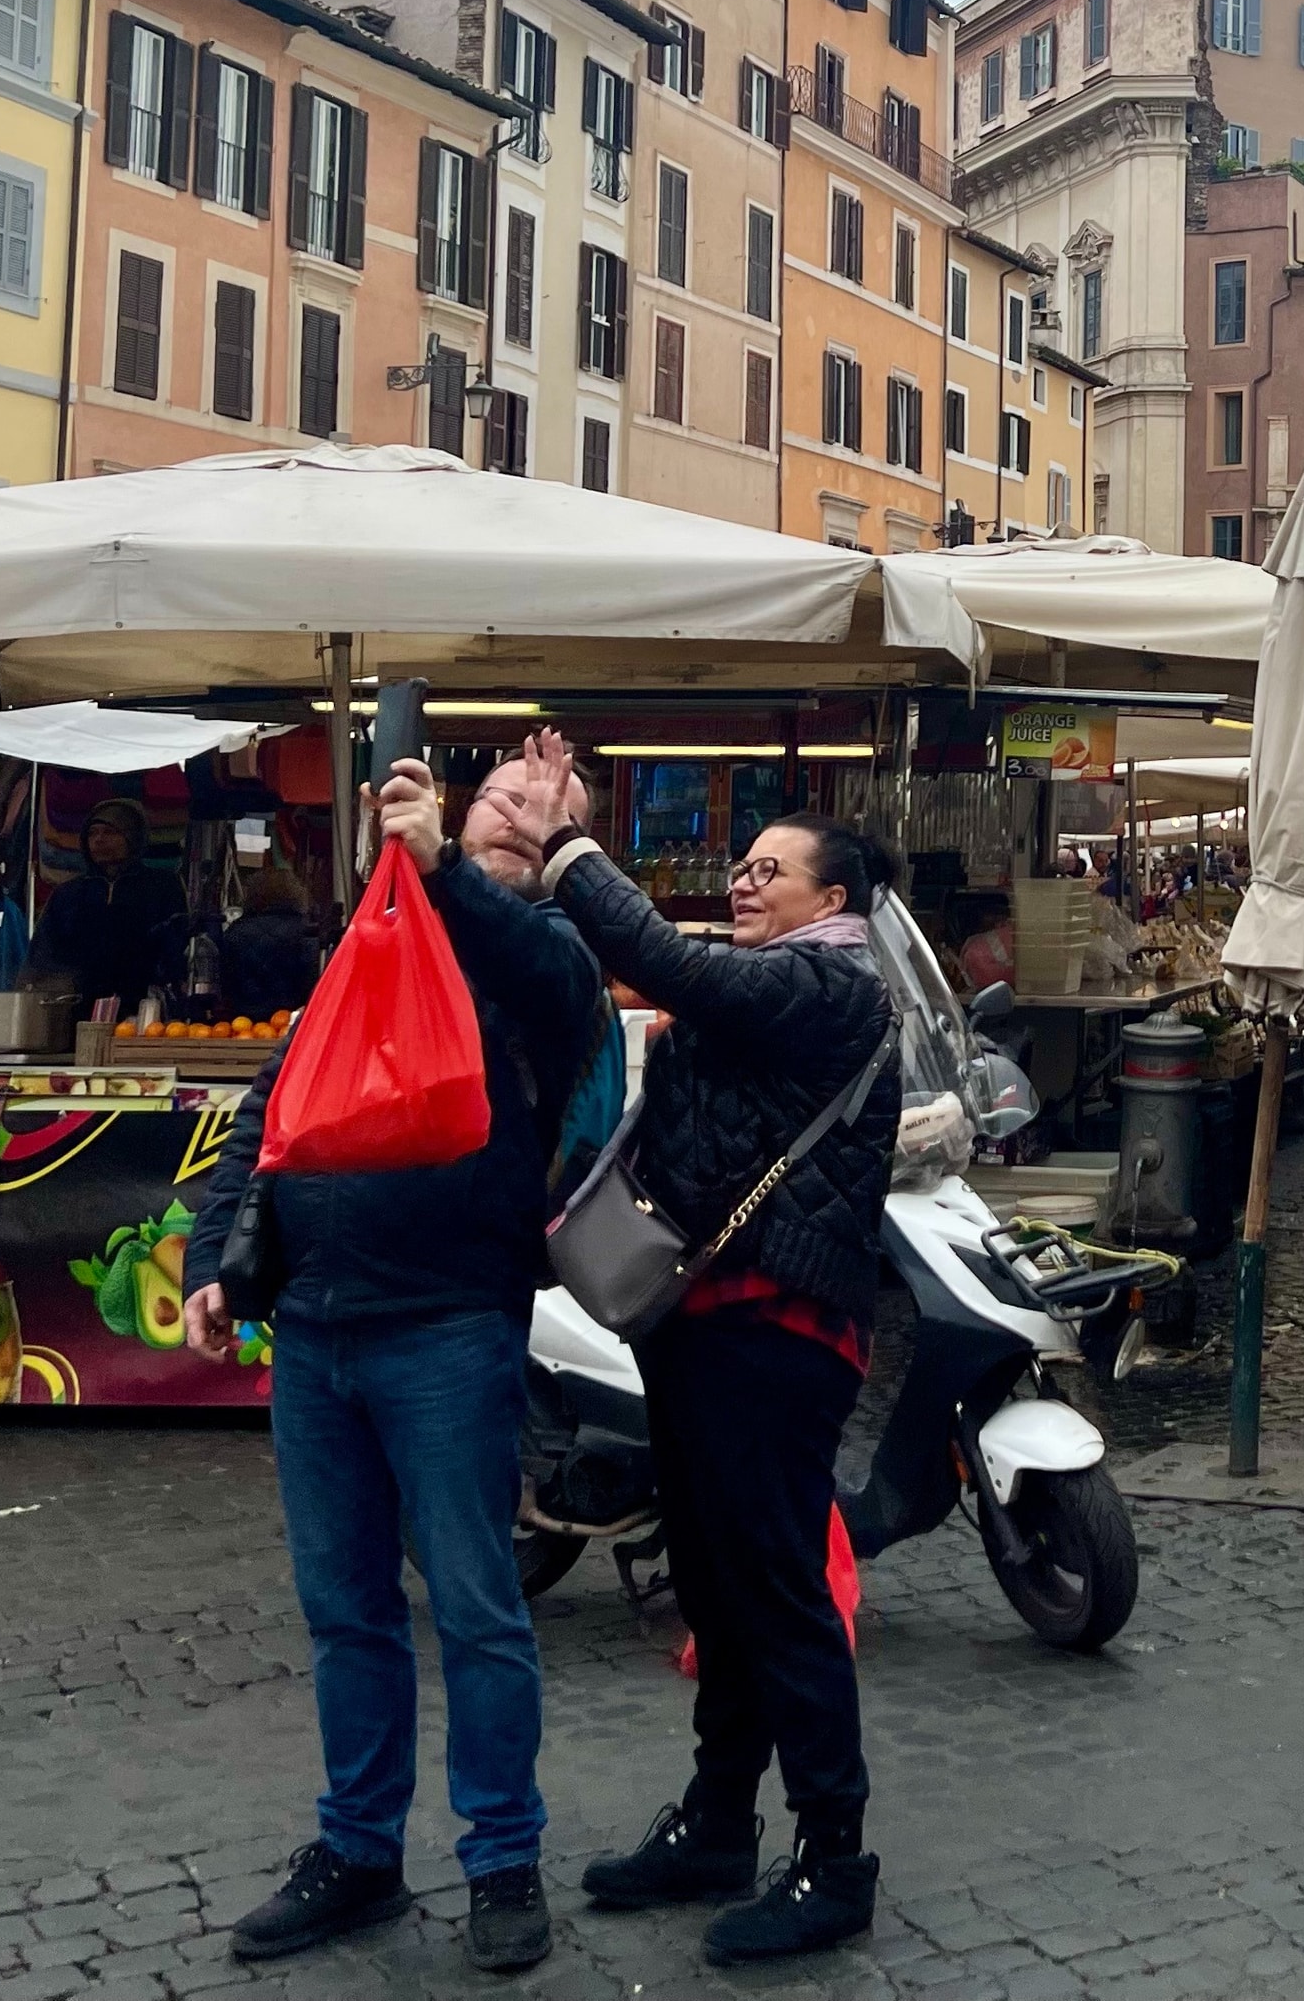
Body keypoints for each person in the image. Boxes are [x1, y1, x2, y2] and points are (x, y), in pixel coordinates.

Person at [181, 753, 610, 1976]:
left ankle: (502, 1857)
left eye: (529, 825)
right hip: (314, 1329)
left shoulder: (541, 959)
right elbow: (270, 1108)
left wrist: (449, 877)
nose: (498, 829)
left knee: (476, 1609)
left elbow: (555, 978)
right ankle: (359, 1850)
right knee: (345, 1611)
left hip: (446, 1326)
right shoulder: (366, 945)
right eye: (488, 813)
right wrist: (218, 1260)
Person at [506, 734, 901, 1968]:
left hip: (777, 1335)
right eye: (741, 862)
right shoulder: (764, 983)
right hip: (701, 1320)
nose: (745, 880)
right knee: (720, 1590)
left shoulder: (832, 987)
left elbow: (663, 959)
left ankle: (835, 1858)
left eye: (771, 870)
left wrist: (569, 847)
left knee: (777, 1589)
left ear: (829, 903)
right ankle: (720, 1823)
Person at [39, 797, 187, 1011]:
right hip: (77, 1008)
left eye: (110, 832)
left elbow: (175, 946)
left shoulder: (162, 887)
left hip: (143, 1007)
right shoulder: (69, 893)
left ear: (133, 838)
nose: (99, 840)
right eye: (92, 833)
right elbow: (45, 951)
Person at [217, 856, 324, 1021]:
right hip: (292, 1020)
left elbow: (226, 982)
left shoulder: (236, 932)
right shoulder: (305, 931)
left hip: (244, 1022)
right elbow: (312, 977)